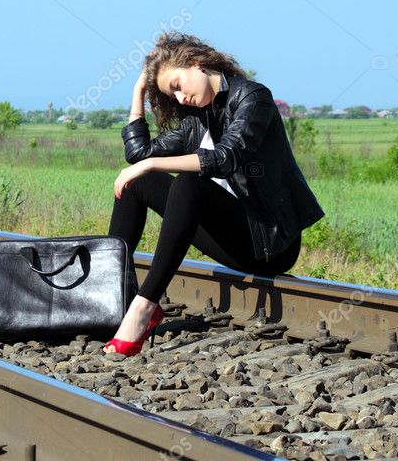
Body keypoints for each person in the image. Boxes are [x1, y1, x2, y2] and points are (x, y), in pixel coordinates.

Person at [103, 32, 324, 356]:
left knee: (189, 181)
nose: (179, 98)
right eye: (171, 94)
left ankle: (143, 309)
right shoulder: (198, 118)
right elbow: (139, 154)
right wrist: (139, 89)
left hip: (268, 243)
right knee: (137, 182)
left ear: (197, 63)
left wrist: (152, 164)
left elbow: (225, 158)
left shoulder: (253, 99)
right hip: (231, 234)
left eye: (178, 85)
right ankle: (113, 294)